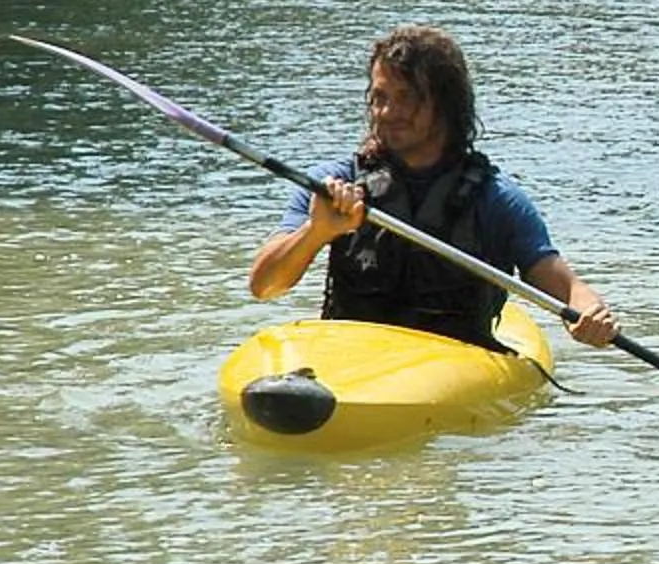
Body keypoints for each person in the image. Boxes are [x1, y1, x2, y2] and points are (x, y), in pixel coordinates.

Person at [249, 24, 620, 351]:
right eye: (379, 97)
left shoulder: (496, 199)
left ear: (445, 103)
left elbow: (564, 284)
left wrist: (589, 313)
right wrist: (317, 232)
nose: (387, 112)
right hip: (352, 356)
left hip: (454, 359)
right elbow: (265, 286)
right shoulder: (333, 187)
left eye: (406, 97)